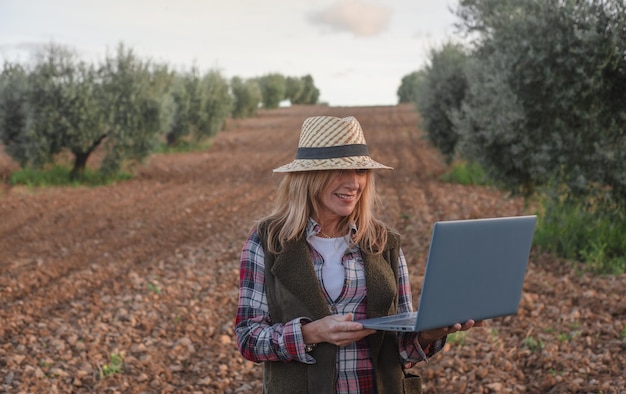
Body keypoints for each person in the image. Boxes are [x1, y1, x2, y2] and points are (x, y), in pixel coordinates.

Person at [234, 115, 482, 393]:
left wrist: (427, 335)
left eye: (361, 171)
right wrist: (310, 333)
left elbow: (402, 350)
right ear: (308, 176)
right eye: (340, 170)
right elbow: (248, 338)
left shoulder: (383, 242)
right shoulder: (268, 240)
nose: (354, 183)